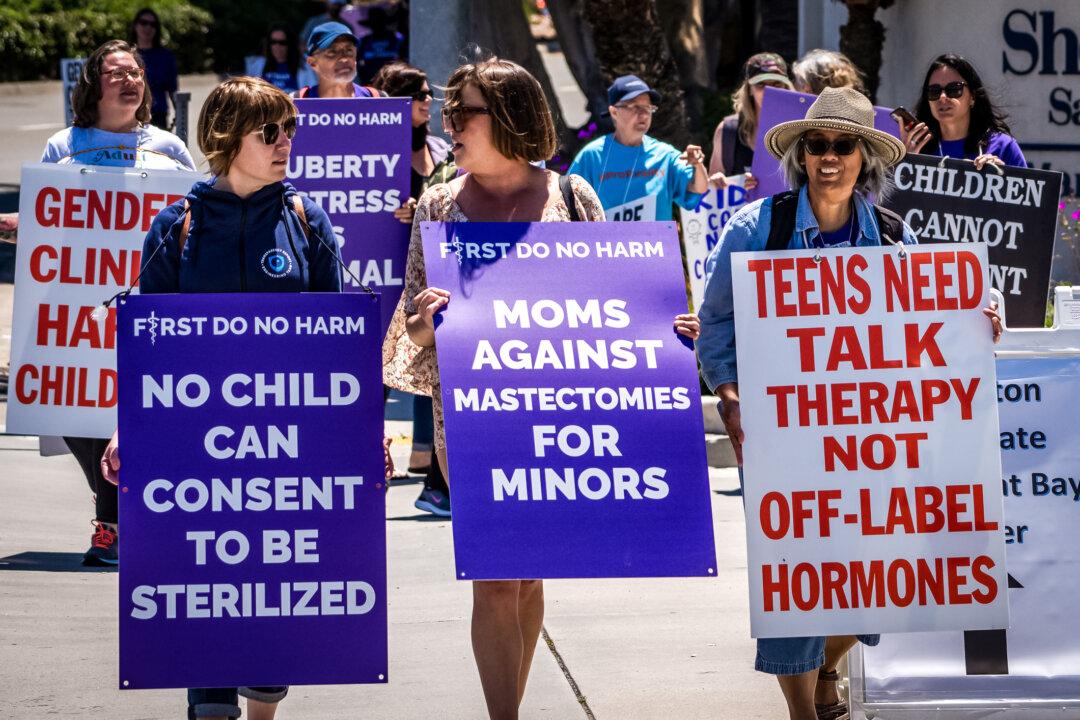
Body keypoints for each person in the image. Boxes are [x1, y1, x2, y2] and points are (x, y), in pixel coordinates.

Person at [382, 57, 700, 719]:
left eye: (461, 111)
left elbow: (617, 303)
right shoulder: (441, 204)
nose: (448, 124)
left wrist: (668, 330)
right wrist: (423, 323)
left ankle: (512, 706)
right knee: (496, 577)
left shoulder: (573, 198)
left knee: (528, 573)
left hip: (559, 416)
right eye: (448, 111)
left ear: (506, 117)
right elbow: (410, 333)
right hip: (473, 421)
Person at [697, 87, 1002, 720]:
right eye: (817, 146)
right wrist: (728, 398)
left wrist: (977, 320)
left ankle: (828, 669)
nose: (828, 157)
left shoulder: (892, 237)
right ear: (801, 155)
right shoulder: (759, 228)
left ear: (865, 158)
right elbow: (717, 321)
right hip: (780, 438)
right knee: (792, 582)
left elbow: (936, 318)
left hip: (870, 447)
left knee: (868, 590)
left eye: (842, 146)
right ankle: (802, 711)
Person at [102, 76, 347, 720]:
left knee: (272, 604)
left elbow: (339, 338)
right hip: (196, 452)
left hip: (285, 451)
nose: (286, 142)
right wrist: (127, 428)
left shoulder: (305, 218)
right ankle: (209, 699)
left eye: (291, 129)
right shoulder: (177, 223)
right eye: (271, 131)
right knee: (201, 592)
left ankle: (265, 694)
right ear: (226, 136)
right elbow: (143, 335)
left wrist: (363, 429)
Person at [34, 39, 195, 567]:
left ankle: (114, 523)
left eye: (136, 73)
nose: (130, 81)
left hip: (149, 300)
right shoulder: (65, 144)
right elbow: (47, 219)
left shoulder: (169, 147)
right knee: (73, 405)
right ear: (92, 86)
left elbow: (194, 216)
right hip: (80, 305)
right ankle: (114, 511)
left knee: (145, 405)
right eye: (116, 74)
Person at [370, 59, 455, 516]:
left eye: (428, 93)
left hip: (430, 274)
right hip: (385, 271)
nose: (428, 101)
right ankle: (369, 460)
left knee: (431, 369)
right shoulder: (379, 153)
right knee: (381, 373)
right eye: (418, 94)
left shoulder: (442, 149)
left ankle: (431, 470)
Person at [568, 75, 708, 221]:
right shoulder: (592, 156)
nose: (643, 114)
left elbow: (698, 188)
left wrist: (698, 165)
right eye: (634, 107)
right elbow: (569, 202)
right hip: (609, 243)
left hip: (657, 243)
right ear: (614, 112)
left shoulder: (665, 154)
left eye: (647, 107)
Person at [899, 53, 1027, 169]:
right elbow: (891, 194)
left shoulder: (1003, 146)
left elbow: (1028, 194)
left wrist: (1004, 178)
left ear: (972, 97)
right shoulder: (916, 149)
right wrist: (906, 163)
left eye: (954, 89)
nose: (943, 97)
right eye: (934, 91)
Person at [708, 52, 795, 190]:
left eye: (776, 84)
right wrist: (723, 182)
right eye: (761, 84)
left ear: (786, 87)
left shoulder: (798, 130)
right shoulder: (727, 130)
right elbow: (713, 187)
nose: (769, 90)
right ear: (749, 89)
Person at [294, 22, 380, 99]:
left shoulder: (377, 98)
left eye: (349, 50)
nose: (344, 58)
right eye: (332, 52)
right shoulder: (296, 103)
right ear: (313, 63)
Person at [130, 8, 178, 130]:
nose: (148, 27)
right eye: (144, 23)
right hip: (130, 114)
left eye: (153, 24)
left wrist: (179, 113)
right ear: (135, 25)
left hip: (158, 116)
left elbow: (173, 89)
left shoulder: (166, 56)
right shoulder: (126, 55)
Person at [356, 8, 405, 86]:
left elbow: (404, 59)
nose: (377, 26)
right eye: (374, 24)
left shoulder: (397, 39)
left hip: (393, 82)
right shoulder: (364, 41)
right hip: (369, 82)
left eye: (379, 23)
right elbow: (357, 61)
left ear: (384, 23)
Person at [792, 49, 866, 96]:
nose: (793, 86)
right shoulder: (865, 118)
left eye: (795, 81)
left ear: (806, 89)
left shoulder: (789, 117)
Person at [251, 25, 302, 93]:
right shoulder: (258, 65)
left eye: (282, 42)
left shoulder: (304, 67)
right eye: (273, 42)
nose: (277, 46)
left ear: (290, 44)